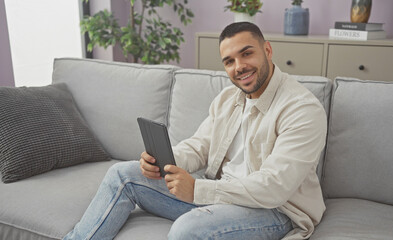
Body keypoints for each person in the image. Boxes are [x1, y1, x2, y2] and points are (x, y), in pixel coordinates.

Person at [64, 22, 327, 240]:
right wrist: (163, 161)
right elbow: (199, 146)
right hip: (221, 194)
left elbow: (274, 188)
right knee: (122, 173)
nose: (239, 67)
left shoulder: (302, 109)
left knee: (187, 231)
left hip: (275, 210)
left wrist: (198, 190)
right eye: (229, 61)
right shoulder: (228, 98)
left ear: (267, 50)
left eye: (247, 54)